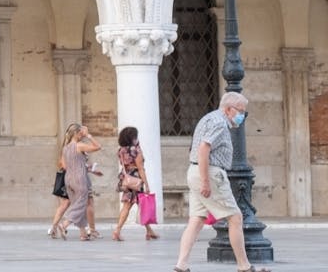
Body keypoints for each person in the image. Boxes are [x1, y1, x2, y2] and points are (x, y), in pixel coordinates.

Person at [173, 92, 270, 272]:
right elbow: (204, 148)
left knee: (196, 219)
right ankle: (244, 266)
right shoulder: (219, 123)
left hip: (194, 170)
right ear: (228, 109)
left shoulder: (207, 118)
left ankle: (181, 264)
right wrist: (205, 181)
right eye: (241, 111)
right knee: (235, 217)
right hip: (210, 172)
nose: (242, 116)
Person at [112, 125, 158, 241]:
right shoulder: (135, 150)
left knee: (136, 205)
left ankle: (149, 231)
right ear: (132, 138)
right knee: (135, 205)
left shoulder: (121, 150)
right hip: (136, 180)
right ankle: (117, 230)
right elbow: (140, 168)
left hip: (127, 180)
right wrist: (147, 184)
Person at [58, 122, 101, 240]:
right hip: (79, 178)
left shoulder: (65, 148)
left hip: (69, 179)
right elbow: (98, 147)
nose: (82, 135)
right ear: (76, 133)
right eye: (81, 133)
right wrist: (89, 136)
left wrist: (87, 168)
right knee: (81, 204)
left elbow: (66, 166)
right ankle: (64, 225)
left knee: (79, 203)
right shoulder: (79, 145)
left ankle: (83, 234)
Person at [47, 124, 78, 238]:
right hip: (68, 177)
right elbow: (63, 164)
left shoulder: (66, 146)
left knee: (65, 204)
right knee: (69, 203)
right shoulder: (69, 147)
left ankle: (54, 228)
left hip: (67, 176)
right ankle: (58, 227)